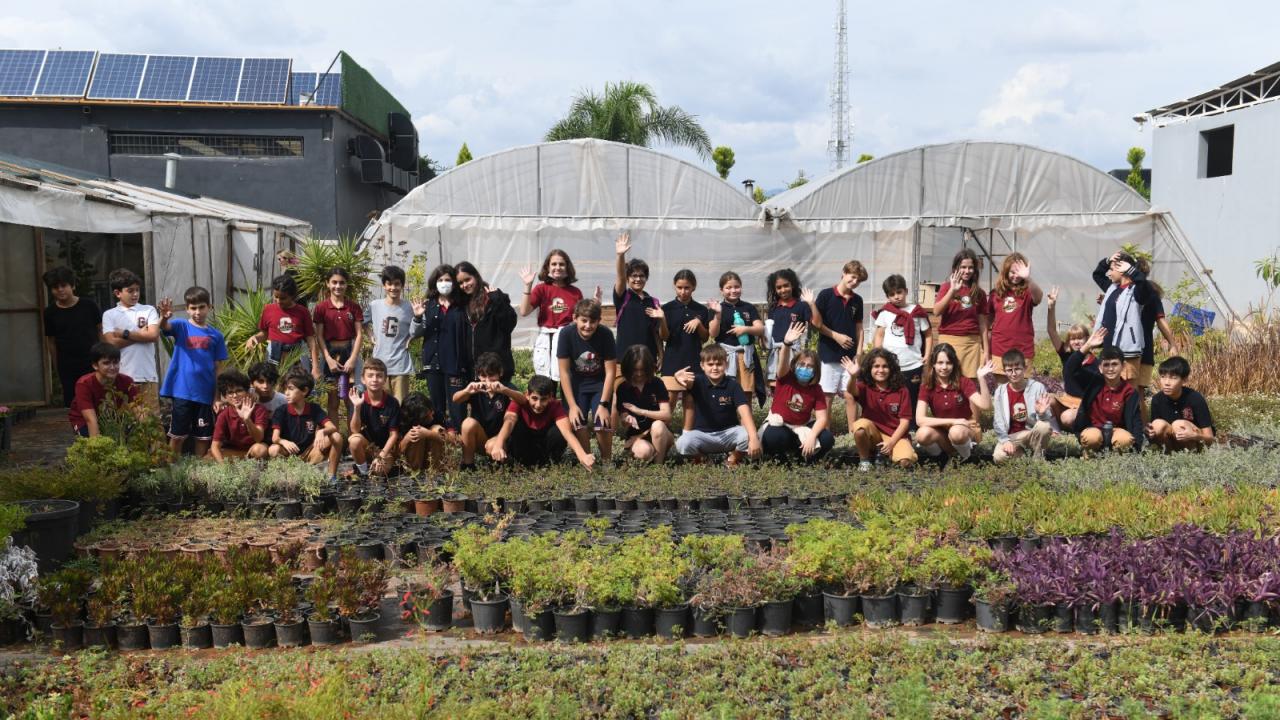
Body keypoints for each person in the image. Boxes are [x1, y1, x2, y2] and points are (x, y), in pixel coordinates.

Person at [158, 287, 228, 457]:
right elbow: (165, 328)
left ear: (209, 307)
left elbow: (218, 367)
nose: (197, 312)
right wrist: (163, 317)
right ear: (187, 309)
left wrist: (217, 396)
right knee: (177, 435)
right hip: (182, 392)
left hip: (205, 394)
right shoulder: (181, 326)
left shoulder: (216, 336)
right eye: (193, 308)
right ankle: (172, 471)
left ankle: (197, 470)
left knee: (203, 437)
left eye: (201, 307)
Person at [675, 345, 762, 466]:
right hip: (702, 435)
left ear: (726, 364)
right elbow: (684, 382)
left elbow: (744, 411)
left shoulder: (733, 385)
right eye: (710, 364)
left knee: (747, 435)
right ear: (702, 366)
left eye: (719, 364)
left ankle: (733, 459)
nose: (715, 368)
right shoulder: (697, 382)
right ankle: (703, 459)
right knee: (682, 443)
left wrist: (753, 437)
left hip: (728, 434)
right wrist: (677, 377)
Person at [759, 322, 834, 463]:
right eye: (802, 365)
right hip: (781, 427)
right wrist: (786, 344)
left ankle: (805, 457)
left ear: (815, 371)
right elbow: (782, 364)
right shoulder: (785, 378)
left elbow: (822, 418)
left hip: (802, 426)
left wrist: (812, 437)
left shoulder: (816, 389)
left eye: (810, 366)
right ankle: (779, 458)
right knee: (773, 436)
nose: (805, 368)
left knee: (826, 438)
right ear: (794, 365)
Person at [518, 249, 596, 382]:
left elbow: (582, 318)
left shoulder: (575, 292)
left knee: (568, 380)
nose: (557, 268)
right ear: (547, 267)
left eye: (561, 264)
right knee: (547, 383)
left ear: (567, 267)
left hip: (568, 339)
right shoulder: (541, 289)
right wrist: (527, 286)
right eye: (553, 264)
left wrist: (595, 306)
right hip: (546, 341)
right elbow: (524, 311)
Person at [488, 375, 595, 469]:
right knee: (503, 436)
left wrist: (582, 456)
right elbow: (509, 422)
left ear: (550, 397)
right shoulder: (518, 402)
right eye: (534, 398)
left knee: (558, 432)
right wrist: (498, 444)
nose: (538, 405)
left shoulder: (555, 405)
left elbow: (567, 432)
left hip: (545, 451)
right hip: (523, 449)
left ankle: (551, 463)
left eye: (543, 399)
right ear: (527, 395)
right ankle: (516, 464)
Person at [557, 298, 617, 463]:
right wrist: (572, 406)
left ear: (599, 321)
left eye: (593, 321)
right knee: (578, 423)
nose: (588, 326)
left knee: (602, 424)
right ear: (575, 318)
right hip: (576, 387)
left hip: (599, 385)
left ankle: (606, 462)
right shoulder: (566, 334)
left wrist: (604, 405)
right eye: (584, 321)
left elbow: (611, 371)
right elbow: (564, 372)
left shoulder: (605, 334)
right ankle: (588, 461)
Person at [1068, 328, 1144, 454]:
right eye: (1106, 365)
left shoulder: (1129, 391)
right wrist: (1087, 346)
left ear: (1123, 366)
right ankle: (1090, 459)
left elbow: (1136, 421)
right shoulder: (1093, 383)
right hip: (1093, 429)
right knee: (1091, 438)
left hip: (1117, 431)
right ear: (1100, 368)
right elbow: (1071, 369)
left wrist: (1138, 448)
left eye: (1114, 364)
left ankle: (1116, 462)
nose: (1110, 369)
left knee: (1125, 440)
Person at [813, 260, 868, 434]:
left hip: (850, 357)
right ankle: (825, 433)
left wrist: (859, 353)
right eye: (852, 277)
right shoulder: (825, 295)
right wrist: (835, 336)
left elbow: (859, 327)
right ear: (843, 273)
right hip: (829, 354)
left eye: (858, 281)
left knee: (850, 394)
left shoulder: (857, 300)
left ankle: (853, 433)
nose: (854, 283)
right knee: (826, 395)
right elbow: (816, 323)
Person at [841, 348, 917, 471]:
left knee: (905, 462)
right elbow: (851, 391)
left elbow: (905, 422)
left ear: (891, 368)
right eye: (876, 366)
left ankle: (884, 456)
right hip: (873, 434)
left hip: (895, 435)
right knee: (860, 427)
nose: (880, 370)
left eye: (885, 366)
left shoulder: (901, 390)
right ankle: (864, 461)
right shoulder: (865, 386)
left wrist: (891, 443)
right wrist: (853, 376)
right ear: (870, 369)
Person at [914, 344, 992, 462]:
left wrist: (981, 379)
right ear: (933, 364)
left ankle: (966, 458)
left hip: (965, 429)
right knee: (922, 434)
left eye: (948, 362)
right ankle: (941, 459)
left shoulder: (963, 382)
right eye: (940, 363)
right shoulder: (927, 386)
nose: (944, 367)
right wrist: (953, 421)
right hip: (943, 430)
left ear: (954, 364)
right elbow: (920, 420)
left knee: (956, 432)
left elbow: (986, 405)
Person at [411, 264, 466, 429]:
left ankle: (458, 439)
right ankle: (439, 440)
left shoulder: (461, 305)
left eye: (448, 280)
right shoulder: (429, 305)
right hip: (433, 363)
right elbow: (415, 332)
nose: (444, 283)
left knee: (457, 405)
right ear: (435, 283)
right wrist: (418, 317)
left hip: (455, 364)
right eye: (440, 280)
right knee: (437, 406)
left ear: (454, 282)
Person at [873, 274, 932, 423]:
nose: (897, 297)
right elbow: (879, 335)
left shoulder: (917, 312)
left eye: (899, 292)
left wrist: (928, 354)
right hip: (891, 366)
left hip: (913, 363)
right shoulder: (885, 313)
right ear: (887, 296)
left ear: (906, 291)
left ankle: (913, 426)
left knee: (913, 396)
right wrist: (877, 356)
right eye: (892, 294)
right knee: (892, 396)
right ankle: (892, 424)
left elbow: (928, 335)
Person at [1091, 251, 1155, 387]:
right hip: (1109, 348)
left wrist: (1131, 270)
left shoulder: (1135, 291)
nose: (1109, 273)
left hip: (1128, 351)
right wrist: (1108, 260)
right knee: (1109, 390)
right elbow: (1097, 275)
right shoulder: (1112, 288)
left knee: (1129, 391)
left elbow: (1145, 288)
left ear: (1122, 270)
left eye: (1112, 269)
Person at [268, 369, 344, 481]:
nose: (286, 393)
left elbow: (332, 427)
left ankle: (331, 477)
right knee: (273, 449)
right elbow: (275, 438)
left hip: (310, 452)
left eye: (291, 389)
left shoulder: (314, 409)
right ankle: (286, 478)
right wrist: (284, 441)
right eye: (285, 389)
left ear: (304, 391)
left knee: (336, 437)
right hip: (289, 453)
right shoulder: (281, 410)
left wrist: (321, 431)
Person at [42, 267, 102, 408]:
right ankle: (78, 430)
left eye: (64, 286)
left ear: (72, 286)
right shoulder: (50, 312)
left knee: (96, 399)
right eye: (55, 287)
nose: (60, 290)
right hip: (67, 364)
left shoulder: (89, 305)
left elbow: (101, 330)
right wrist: (57, 365)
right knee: (73, 404)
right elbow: (51, 341)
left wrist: (104, 356)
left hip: (91, 361)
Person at [101, 268, 160, 409]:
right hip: (121, 376)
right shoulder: (109, 315)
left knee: (151, 422)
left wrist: (124, 333)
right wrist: (141, 335)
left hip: (148, 376)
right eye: (130, 291)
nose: (135, 294)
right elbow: (111, 344)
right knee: (126, 422)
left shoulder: (148, 310)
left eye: (137, 290)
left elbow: (153, 336)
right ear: (118, 293)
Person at [454, 352, 525, 470]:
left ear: (500, 373)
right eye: (483, 376)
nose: (487, 380)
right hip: (481, 438)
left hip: (501, 439)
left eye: (491, 375)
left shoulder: (505, 386)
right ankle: (468, 464)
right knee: (468, 423)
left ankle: (503, 461)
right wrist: (467, 391)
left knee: (492, 445)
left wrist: (505, 390)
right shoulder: (476, 388)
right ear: (478, 375)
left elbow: (523, 400)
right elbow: (455, 399)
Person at [311, 267, 364, 421]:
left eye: (342, 283)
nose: (338, 286)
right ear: (328, 283)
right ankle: (335, 440)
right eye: (334, 282)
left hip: (349, 351)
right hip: (331, 353)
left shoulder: (353, 307)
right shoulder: (321, 308)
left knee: (350, 399)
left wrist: (353, 358)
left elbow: (359, 334)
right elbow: (319, 336)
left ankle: (351, 439)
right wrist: (327, 358)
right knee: (333, 400)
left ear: (346, 284)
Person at [707, 271, 766, 405]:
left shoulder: (748, 307)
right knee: (725, 392)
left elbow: (760, 328)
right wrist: (717, 315)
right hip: (725, 356)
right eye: (728, 288)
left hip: (746, 355)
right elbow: (713, 334)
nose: (733, 290)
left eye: (736, 287)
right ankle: (727, 422)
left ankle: (745, 422)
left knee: (746, 392)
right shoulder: (717, 308)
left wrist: (745, 329)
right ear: (721, 290)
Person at [244, 273, 319, 376]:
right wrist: (255, 338)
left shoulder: (303, 312)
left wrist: (315, 366)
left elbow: (310, 339)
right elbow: (265, 334)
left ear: (293, 296)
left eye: (283, 298)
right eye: (276, 297)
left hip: (297, 359)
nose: (278, 301)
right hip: (273, 358)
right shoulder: (268, 309)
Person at [456, 261, 518, 382]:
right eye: (460, 283)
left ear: (476, 276)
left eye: (467, 279)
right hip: (474, 371)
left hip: (495, 370)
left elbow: (509, 324)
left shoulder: (493, 297)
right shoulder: (461, 304)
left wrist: (497, 301)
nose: (465, 285)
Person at [931, 249, 988, 381]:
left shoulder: (979, 293)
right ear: (956, 268)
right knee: (947, 380)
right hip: (949, 340)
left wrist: (986, 351)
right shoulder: (946, 287)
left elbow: (983, 324)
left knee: (971, 384)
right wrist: (952, 290)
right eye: (963, 267)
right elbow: (936, 311)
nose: (967, 271)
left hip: (972, 344)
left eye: (970, 267)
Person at [991, 349, 1055, 464]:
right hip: (1012, 436)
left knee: (1043, 426)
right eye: (1009, 370)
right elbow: (998, 420)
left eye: (1017, 369)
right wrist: (1005, 440)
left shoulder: (1037, 387)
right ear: (1004, 371)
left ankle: (1038, 460)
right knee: (999, 457)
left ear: (1025, 369)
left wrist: (1041, 413)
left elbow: (1046, 420)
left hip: (1032, 433)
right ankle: (1022, 455)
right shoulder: (1000, 392)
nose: (1014, 373)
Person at [986, 253, 1042, 381]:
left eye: (1019, 272)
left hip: (1023, 349)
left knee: (1022, 389)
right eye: (1012, 272)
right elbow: (988, 320)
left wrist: (1028, 279)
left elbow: (1038, 298)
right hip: (1000, 348)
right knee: (1002, 389)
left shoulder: (1027, 292)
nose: (1016, 276)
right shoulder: (995, 294)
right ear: (1005, 272)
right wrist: (986, 347)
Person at [612, 345, 673, 463]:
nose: (639, 374)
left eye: (643, 369)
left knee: (658, 426)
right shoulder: (622, 388)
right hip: (637, 435)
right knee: (644, 452)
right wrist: (627, 419)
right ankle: (647, 454)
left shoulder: (657, 383)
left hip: (661, 433)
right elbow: (624, 419)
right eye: (635, 370)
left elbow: (667, 415)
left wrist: (639, 411)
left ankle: (658, 466)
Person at [659, 269, 710, 407]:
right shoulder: (667, 309)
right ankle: (663, 428)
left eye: (687, 288)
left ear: (694, 287)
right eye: (679, 288)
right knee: (669, 400)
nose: (683, 291)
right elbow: (664, 337)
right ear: (674, 286)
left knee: (691, 401)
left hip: (694, 360)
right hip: (672, 360)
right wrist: (662, 319)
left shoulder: (701, 310)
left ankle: (689, 429)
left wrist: (698, 323)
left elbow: (705, 337)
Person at [1045, 286, 1095, 428]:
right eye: (1073, 339)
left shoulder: (1095, 362)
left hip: (1083, 405)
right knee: (1047, 399)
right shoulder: (1066, 355)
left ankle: (1075, 426)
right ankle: (1056, 429)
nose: (1076, 342)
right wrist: (1051, 307)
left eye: (1080, 338)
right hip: (1067, 401)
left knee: (1067, 418)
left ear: (1087, 339)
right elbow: (1051, 330)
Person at [68, 342, 139, 437]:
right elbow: (90, 419)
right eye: (106, 363)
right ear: (95, 365)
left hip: (114, 419)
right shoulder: (84, 384)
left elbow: (139, 410)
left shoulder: (127, 381)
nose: (112, 367)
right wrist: (98, 448)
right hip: (83, 420)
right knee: (88, 440)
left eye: (115, 362)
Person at [612, 231, 664, 360]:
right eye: (634, 276)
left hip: (648, 358)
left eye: (641, 276)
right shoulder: (623, 296)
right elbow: (620, 277)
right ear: (628, 278)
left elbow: (655, 332)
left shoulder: (653, 301)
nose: (638, 279)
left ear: (646, 278)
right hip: (624, 358)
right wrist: (620, 256)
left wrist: (661, 354)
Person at [1146, 356, 1214, 452]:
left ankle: (1192, 457)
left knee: (1179, 425)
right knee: (1157, 424)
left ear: (1184, 380)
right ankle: (1168, 456)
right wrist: (1150, 434)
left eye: (1173, 378)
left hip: (1195, 443)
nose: (1166, 383)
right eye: (1163, 377)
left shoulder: (1195, 398)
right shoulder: (1157, 399)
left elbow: (1210, 438)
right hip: (1171, 443)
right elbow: (1155, 433)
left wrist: (1196, 436)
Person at [368, 265, 416, 402]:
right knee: (380, 403)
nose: (393, 288)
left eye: (397, 284)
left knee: (400, 404)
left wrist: (411, 338)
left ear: (402, 285)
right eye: (389, 284)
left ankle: (400, 425)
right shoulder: (375, 305)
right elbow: (361, 321)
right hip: (379, 364)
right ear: (384, 285)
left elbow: (419, 327)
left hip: (400, 364)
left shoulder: (409, 307)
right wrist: (370, 334)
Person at [763, 268, 816, 391]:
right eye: (779, 287)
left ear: (792, 284)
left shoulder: (801, 306)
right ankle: (776, 408)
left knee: (793, 384)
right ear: (775, 289)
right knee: (775, 385)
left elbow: (815, 324)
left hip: (794, 351)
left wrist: (812, 304)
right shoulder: (773, 308)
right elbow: (769, 331)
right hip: (776, 352)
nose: (783, 290)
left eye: (786, 285)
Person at [348, 358, 402, 478]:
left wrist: (381, 456)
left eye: (379, 376)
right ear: (363, 379)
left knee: (379, 472)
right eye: (370, 376)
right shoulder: (359, 399)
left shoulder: (392, 403)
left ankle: (377, 471)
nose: (374, 379)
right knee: (354, 440)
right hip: (367, 447)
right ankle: (363, 473)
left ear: (385, 379)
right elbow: (355, 431)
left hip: (385, 451)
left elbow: (394, 435)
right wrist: (357, 408)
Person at [209, 369, 270, 462]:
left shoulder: (259, 410)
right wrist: (224, 469)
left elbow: (259, 438)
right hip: (233, 451)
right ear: (225, 396)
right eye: (230, 392)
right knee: (208, 456)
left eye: (239, 391)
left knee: (260, 450)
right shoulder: (224, 415)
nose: (234, 395)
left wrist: (247, 419)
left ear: (247, 392)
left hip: (254, 449)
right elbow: (215, 446)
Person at [398, 392, 449, 474]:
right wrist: (406, 439)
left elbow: (453, 440)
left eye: (431, 411)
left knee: (437, 429)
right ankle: (414, 474)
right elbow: (396, 452)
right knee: (415, 435)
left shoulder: (436, 414)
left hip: (433, 463)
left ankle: (436, 473)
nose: (432, 414)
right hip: (412, 462)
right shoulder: (403, 422)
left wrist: (429, 434)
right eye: (426, 416)